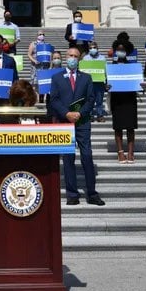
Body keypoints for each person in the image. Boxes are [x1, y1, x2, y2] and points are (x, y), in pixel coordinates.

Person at [49, 46, 105, 206]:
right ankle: (72, 194)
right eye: (70, 55)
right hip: (64, 122)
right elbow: (54, 99)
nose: (72, 58)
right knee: (68, 158)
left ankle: (92, 193)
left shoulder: (86, 78)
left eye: (76, 56)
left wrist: (80, 113)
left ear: (79, 59)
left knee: (87, 156)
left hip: (82, 122)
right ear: (66, 57)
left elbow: (90, 99)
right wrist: (67, 113)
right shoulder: (57, 78)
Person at [110, 39, 139, 164]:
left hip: (130, 99)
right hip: (117, 100)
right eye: (118, 50)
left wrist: (141, 86)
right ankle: (120, 152)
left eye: (123, 50)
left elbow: (138, 83)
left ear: (126, 52)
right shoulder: (111, 66)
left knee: (130, 127)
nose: (120, 52)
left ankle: (131, 152)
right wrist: (106, 86)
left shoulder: (133, 66)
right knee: (118, 127)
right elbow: (106, 82)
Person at [82, 41, 108, 122]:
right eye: (90, 48)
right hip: (89, 83)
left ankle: (100, 115)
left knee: (99, 100)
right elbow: (83, 71)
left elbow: (106, 70)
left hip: (99, 82)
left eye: (94, 48)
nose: (92, 49)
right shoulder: (85, 58)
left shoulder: (102, 58)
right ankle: (89, 115)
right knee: (89, 99)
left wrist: (107, 81)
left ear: (97, 48)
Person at [27, 29, 48, 101]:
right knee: (35, 82)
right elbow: (29, 54)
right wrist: (34, 60)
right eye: (40, 34)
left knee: (43, 82)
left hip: (44, 66)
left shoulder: (46, 44)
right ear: (37, 36)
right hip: (35, 66)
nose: (41, 36)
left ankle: (41, 97)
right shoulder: (33, 44)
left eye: (43, 34)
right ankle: (35, 97)